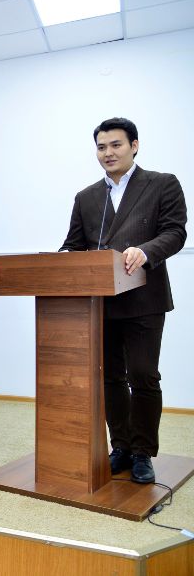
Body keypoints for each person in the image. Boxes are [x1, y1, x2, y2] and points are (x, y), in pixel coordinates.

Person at [60, 117, 187, 483]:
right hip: (101, 302)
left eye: (116, 145)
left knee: (143, 375)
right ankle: (122, 447)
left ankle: (144, 451)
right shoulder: (86, 197)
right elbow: (73, 244)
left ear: (134, 146)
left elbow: (175, 232)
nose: (108, 153)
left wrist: (145, 252)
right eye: (101, 147)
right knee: (112, 377)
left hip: (145, 298)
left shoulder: (162, 183)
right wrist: (62, 260)